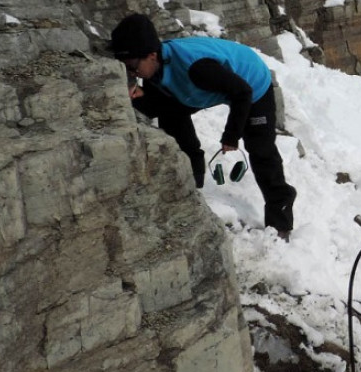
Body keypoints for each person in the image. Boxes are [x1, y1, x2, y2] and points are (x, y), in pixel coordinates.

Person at [110, 13, 297, 240]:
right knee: (171, 117)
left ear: (151, 55)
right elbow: (157, 108)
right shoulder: (154, 69)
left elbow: (242, 93)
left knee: (261, 149)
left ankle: (281, 221)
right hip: (201, 89)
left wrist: (231, 136)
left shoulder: (197, 68)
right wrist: (138, 98)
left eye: (131, 66)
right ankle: (193, 178)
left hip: (251, 84)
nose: (131, 73)